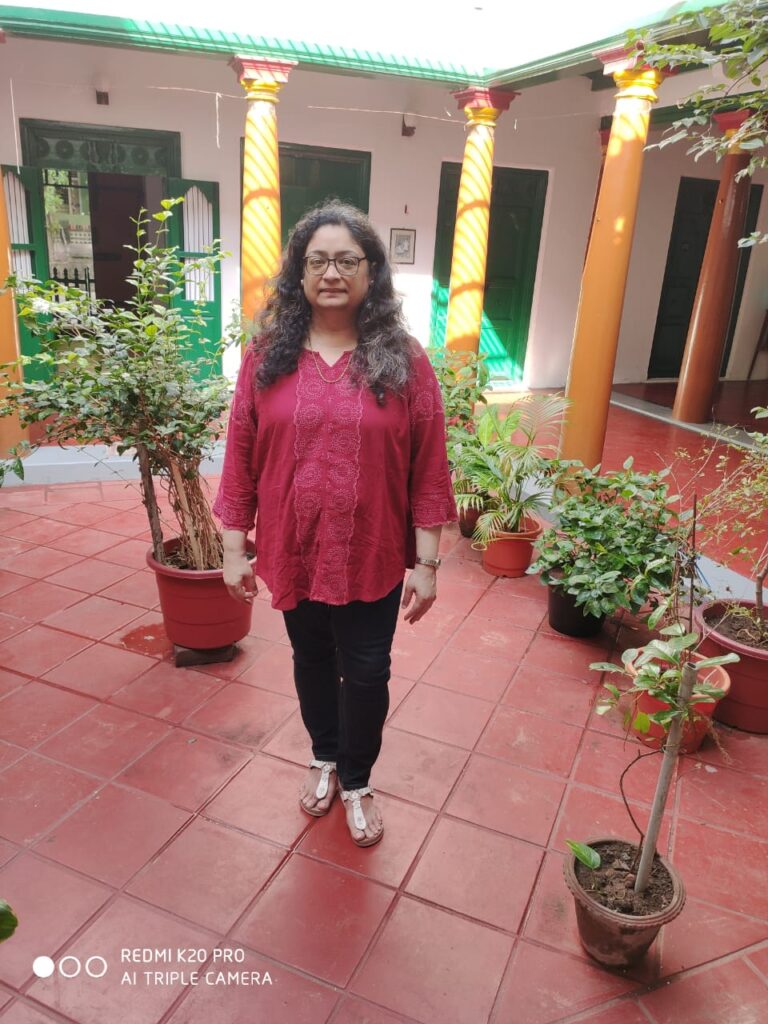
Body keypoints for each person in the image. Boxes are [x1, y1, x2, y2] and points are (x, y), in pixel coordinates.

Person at [213, 201, 457, 847]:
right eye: (317, 260)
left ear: (371, 273)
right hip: (293, 549)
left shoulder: (403, 360)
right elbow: (240, 456)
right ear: (298, 273)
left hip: (371, 553)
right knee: (312, 659)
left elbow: (430, 467)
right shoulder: (267, 357)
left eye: (347, 261)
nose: (331, 273)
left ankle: (357, 778)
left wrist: (428, 564)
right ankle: (323, 755)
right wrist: (234, 550)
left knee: (369, 671)